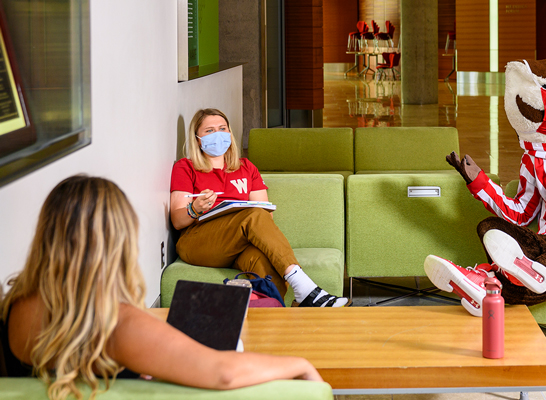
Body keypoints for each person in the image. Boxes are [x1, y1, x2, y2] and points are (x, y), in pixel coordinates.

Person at [0, 175, 323, 400]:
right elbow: (222, 373)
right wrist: (300, 363)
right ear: (117, 241)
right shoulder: (117, 324)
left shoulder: (13, 305)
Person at [170, 108, 347, 307]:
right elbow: (177, 221)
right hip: (198, 241)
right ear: (197, 138)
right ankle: (307, 289)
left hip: (237, 244)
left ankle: (276, 317)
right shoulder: (185, 167)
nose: (217, 135)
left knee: (264, 262)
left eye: (222, 129)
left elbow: (265, 216)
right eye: (209, 131)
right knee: (253, 214)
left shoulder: (246, 167)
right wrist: (195, 208)